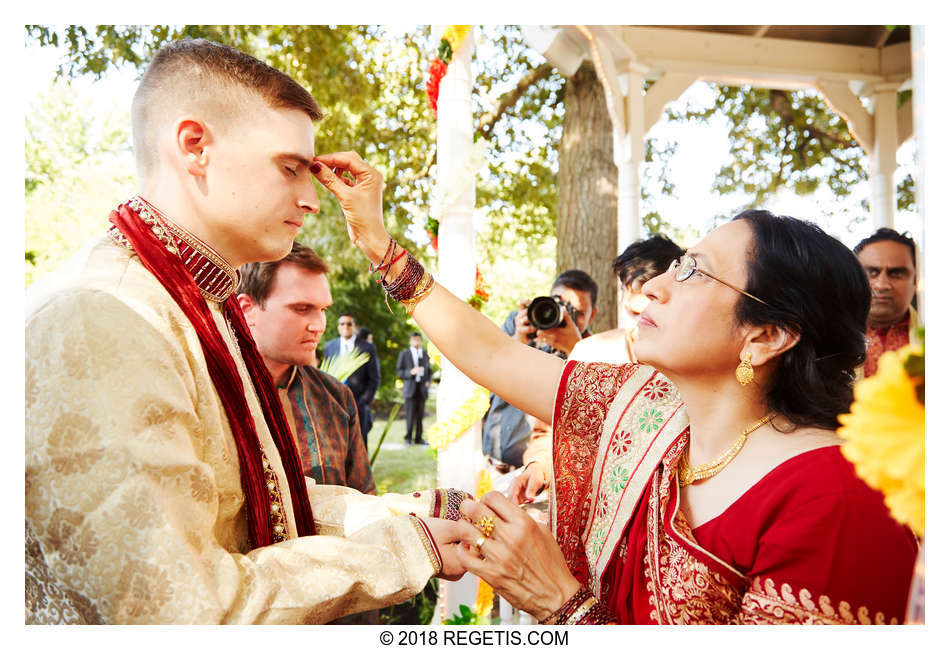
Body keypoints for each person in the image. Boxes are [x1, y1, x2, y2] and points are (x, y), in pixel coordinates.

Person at [310, 150, 917, 624]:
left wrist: (561, 603)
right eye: (678, 264)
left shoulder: (840, 502)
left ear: (764, 337)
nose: (655, 287)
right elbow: (491, 351)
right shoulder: (647, 411)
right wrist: (378, 244)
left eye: (696, 272)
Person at [25, 40, 467, 624]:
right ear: (195, 147)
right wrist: (406, 549)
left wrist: (420, 512)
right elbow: (179, 608)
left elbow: (253, 502)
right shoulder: (99, 318)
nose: (312, 200)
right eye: (290, 168)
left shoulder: (201, 301)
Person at [515, 235, 684, 504]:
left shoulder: (696, 362)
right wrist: (539, 466)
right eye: (632, 312)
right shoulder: (591, 352)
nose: (640, 325)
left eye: (650, 312)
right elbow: (550, 433)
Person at [237, 242, 375, 494]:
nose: (318, 325)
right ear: (248, 310)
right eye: (302, 309)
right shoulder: (213, 392)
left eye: (322, 310)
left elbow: (364, 503)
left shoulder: (336, 398)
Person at [483, 270, 599, 475]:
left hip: (541, 474)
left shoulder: (597, 351)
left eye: (578, 313)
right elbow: (489, 376)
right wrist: (518, 340)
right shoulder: (521, 323)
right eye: (560, 304)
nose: (566, 316)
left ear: (593, 314)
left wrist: (574, 348)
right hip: (491, 463)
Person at [569, 235, 684, 364]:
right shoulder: (589, 353)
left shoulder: (689, 363)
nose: (627, 301)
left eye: (650, 294)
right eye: (623, 289)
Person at [853, 228, 921, 378]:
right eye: (871, 272)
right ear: (854, 278)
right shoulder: (827, 337)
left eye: (896, 273)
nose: (882, 285)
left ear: (915, 281)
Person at [323, 312, 380, 448]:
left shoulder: (367, 348)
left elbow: (374, 378)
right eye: (342, 323)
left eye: (349, 323)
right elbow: (325, 375)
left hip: (359, 404)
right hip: (335, 405)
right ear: (338, 327)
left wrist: (364, 402)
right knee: (337, 443)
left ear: (355, 327)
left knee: (360, 444)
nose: (345, 326)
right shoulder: (329, 347)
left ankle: (361, 470)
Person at [396, 332, 432, 445]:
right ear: (410, 341)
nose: (416, 341)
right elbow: (399, 371)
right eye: (414, 339)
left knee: (420, 415)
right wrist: (410, 372)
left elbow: (429, 371)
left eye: (418, 339)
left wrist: (428, 381)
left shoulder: (425, 354)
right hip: (410, 388)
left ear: (421, 341)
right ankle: (408, 437)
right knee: (410, 415)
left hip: (421, 389)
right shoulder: (404, 354)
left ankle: (419, 438)